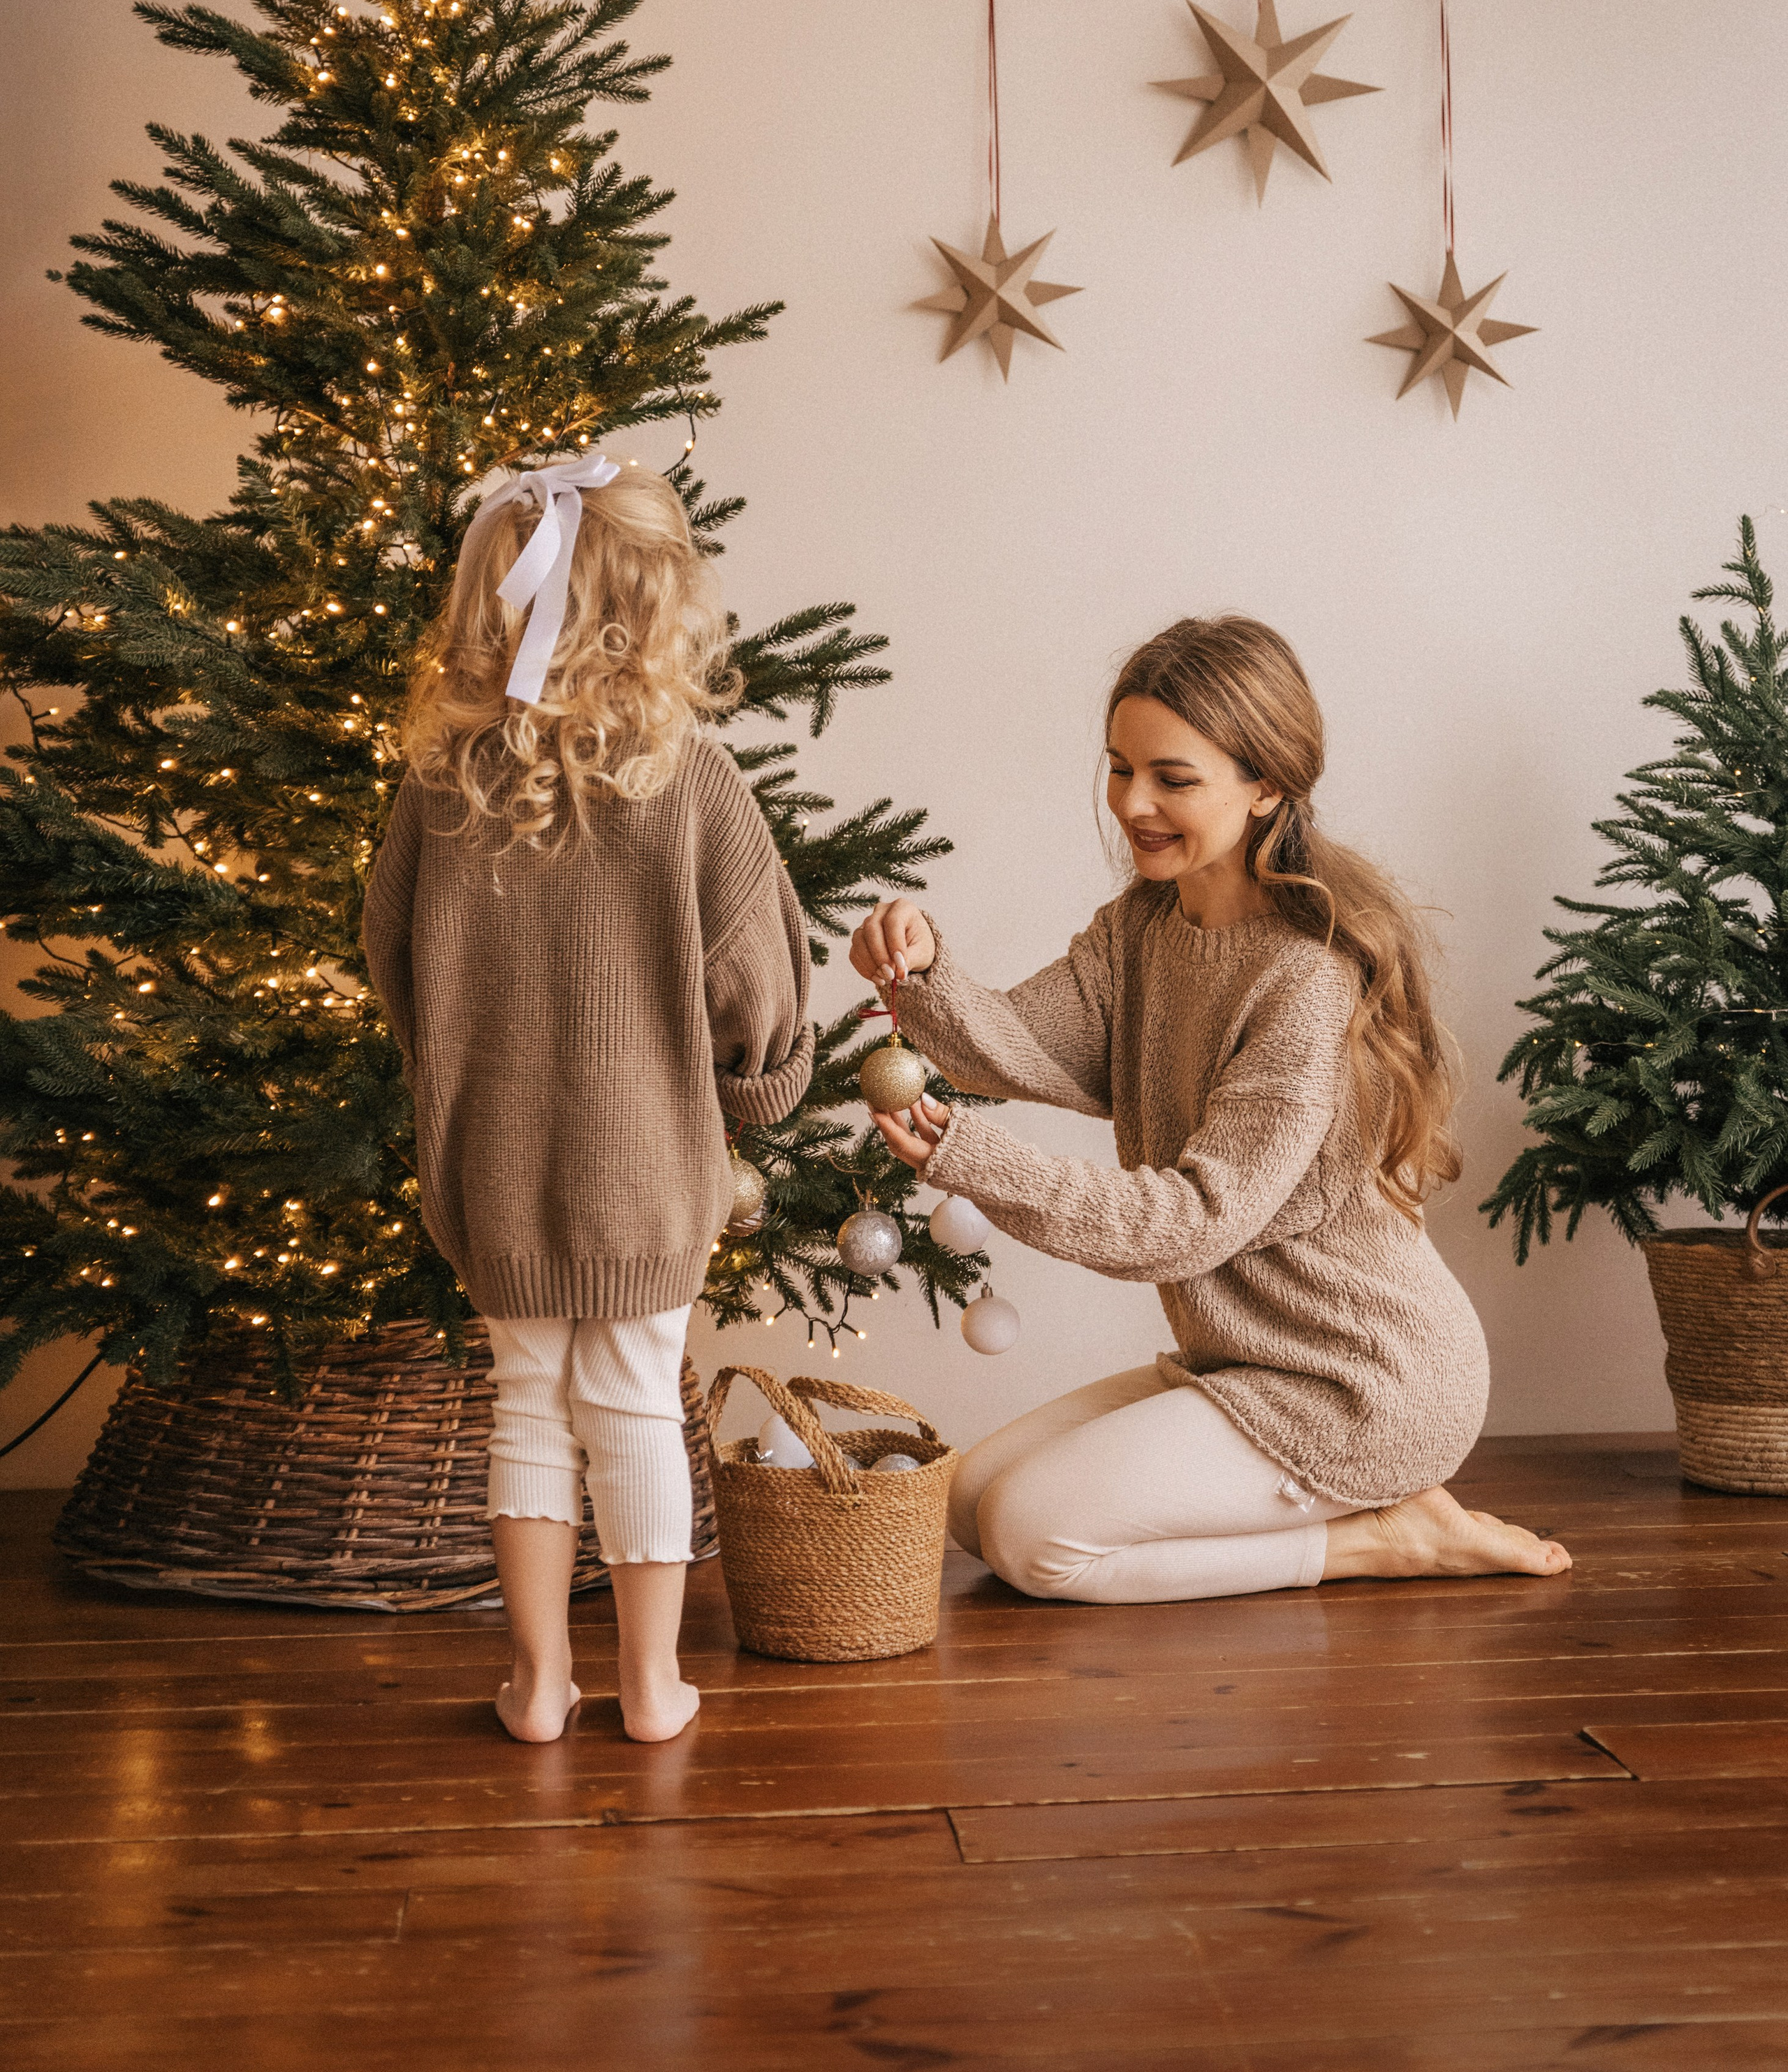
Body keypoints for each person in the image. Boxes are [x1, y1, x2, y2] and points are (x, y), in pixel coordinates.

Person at [849, 614, 1569, 1608]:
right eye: (1119, 768)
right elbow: (1013, 1043)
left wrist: (975, 1160)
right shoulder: (1144, 926)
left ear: (1266, 783)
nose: (1132, 803)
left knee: (1029, 1535)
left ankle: (1384, 1537)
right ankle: (1365, 1522)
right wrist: (922, 971)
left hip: (1360, 1380)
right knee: (971, 1499)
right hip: (1243, 1358)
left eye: (1172, 779)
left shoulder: (1303, 983)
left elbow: (1193, 1221)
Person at [365, 456, 812, 1740]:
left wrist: (447, 1060)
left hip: (494, 1159)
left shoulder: (444, 783)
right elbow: (758, 979)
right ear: (662, 608)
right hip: (647, 1168)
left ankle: (541, 1680)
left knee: (525, 1400)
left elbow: (387, 945)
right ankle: (654, 1683)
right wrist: (759, 1084)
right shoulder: (694, 779)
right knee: (633, 1405)